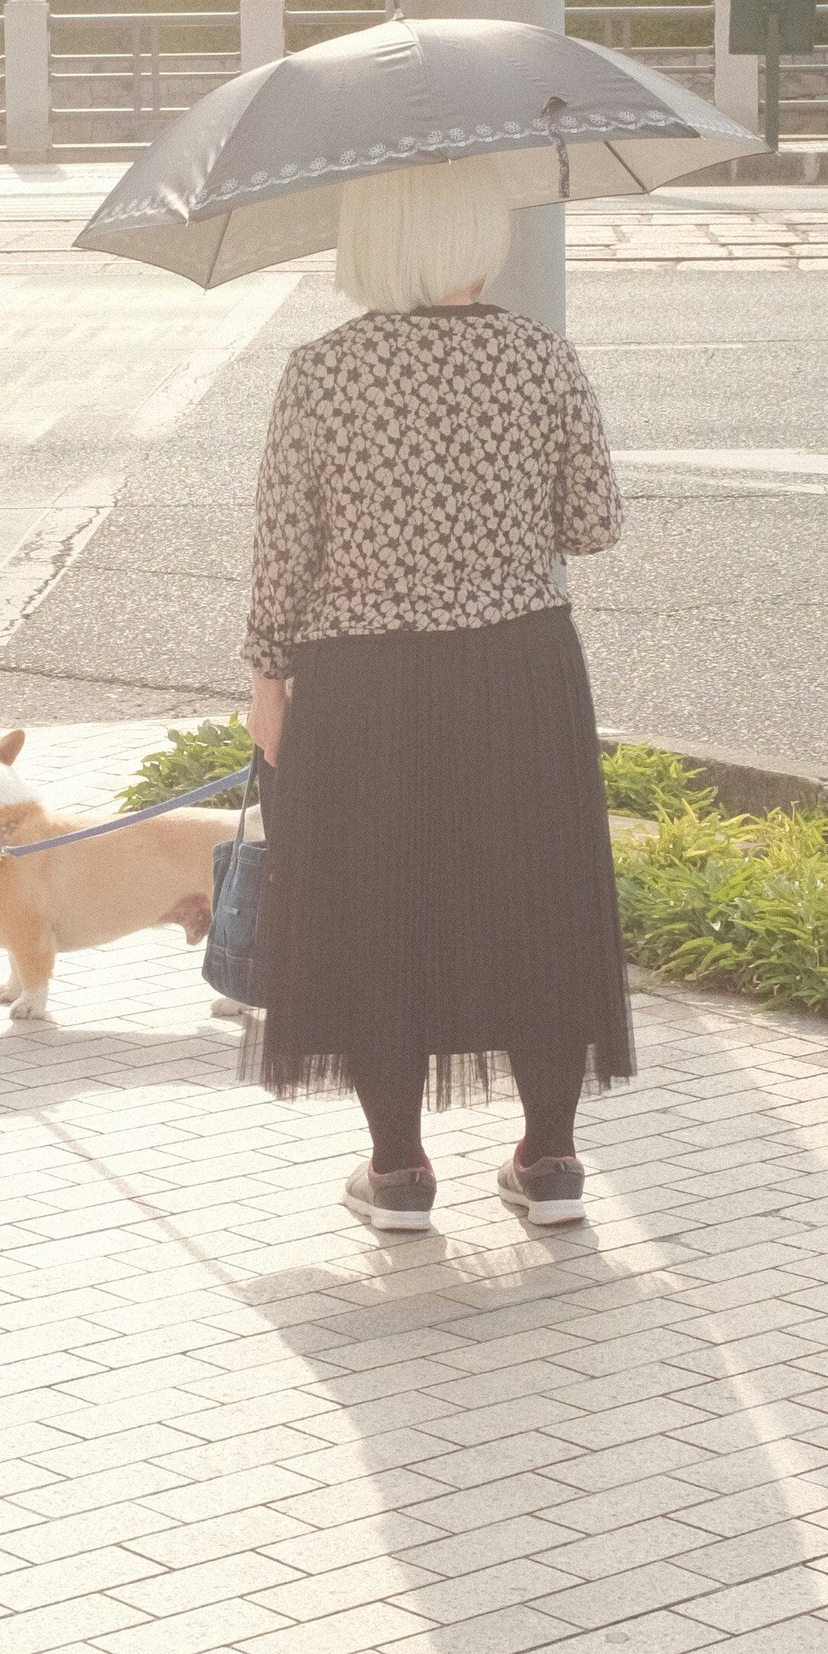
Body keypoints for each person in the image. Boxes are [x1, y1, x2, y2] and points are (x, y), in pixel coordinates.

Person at [244, 149, 632, 1233]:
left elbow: (284, 548)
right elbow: (594, 524)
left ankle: (400, 1172)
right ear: (473, 234)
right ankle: (550, 1161)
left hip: (362, 681)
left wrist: (268, 678)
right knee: (534, 902)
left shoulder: (322, 371)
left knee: (380, 906)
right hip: (517, 669)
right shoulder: (538, 357)